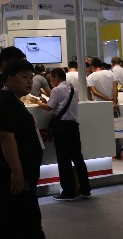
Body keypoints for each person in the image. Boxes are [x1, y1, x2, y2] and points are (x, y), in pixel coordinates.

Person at [0, 59, 50, 239]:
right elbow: (6, 138)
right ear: (9, 78)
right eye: (24, 77)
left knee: (7, 218)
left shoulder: (11, 100)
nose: (29, 81)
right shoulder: (5, 102)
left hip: (18, 171)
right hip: (13, 173)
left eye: (31, 77)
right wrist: (17, 172)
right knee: (25, 218)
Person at [37, 68, 91, 201]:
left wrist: (37, 103)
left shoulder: (56, 90)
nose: (51, 81)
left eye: (51, 79)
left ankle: (68, 192)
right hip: (73, 127)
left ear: (56, 77)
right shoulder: (74, 90)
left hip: (62, 128)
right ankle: (85, 190)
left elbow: (49, 107)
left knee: (64, 160)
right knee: (78, 158)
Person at [87, 58, 122, 158]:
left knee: (101, 130)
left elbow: (94, 92)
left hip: (99, 106)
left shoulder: (91, 76)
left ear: (92, 67)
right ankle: (118, 153)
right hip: (113, 106)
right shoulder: (110, 73)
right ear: (101, 65)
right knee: (117, 129)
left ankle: (104, 153)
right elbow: (115, 88)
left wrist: (108, 99)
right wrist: (113, 101)